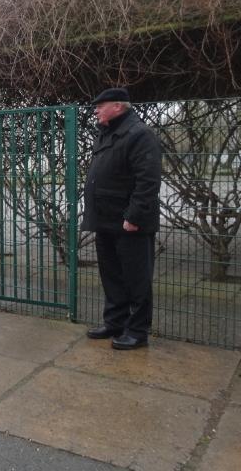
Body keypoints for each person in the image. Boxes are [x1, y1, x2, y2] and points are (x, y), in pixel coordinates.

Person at [83, 88, 162, 350]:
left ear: (117, 106)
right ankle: (115, 322)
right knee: (112, 276)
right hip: (106, 220)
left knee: (137, 279)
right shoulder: (107, 134)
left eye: (100, 105)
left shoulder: (140, 134)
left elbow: (148, 180)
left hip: (130, 223)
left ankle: (137, 331)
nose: (96, 110)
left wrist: (134, 216)